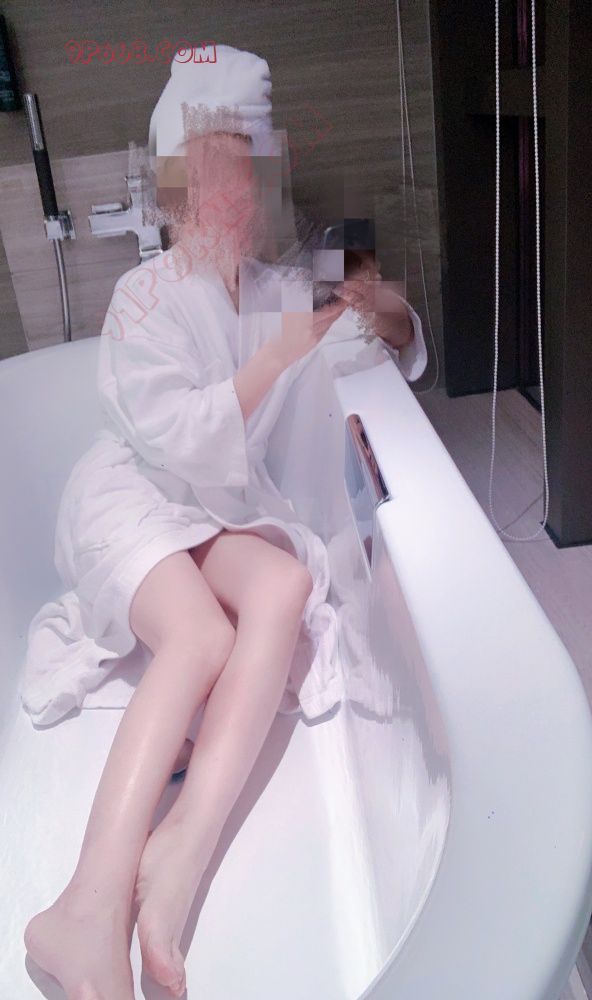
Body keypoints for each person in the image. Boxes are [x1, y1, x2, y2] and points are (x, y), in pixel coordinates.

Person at [21, 46, 426, 1000]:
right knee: (202, 635)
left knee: (284, 585)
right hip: (131, 498)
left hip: (208, 512)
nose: (227, 199)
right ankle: (82, 907)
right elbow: (184, 435)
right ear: (172, 194)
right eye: (204, 178)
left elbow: (397, 343)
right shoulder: (143, 298)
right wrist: (280, 349)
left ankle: (181, 851)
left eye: (242, 175)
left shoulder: (277, 289)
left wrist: (375, 301)